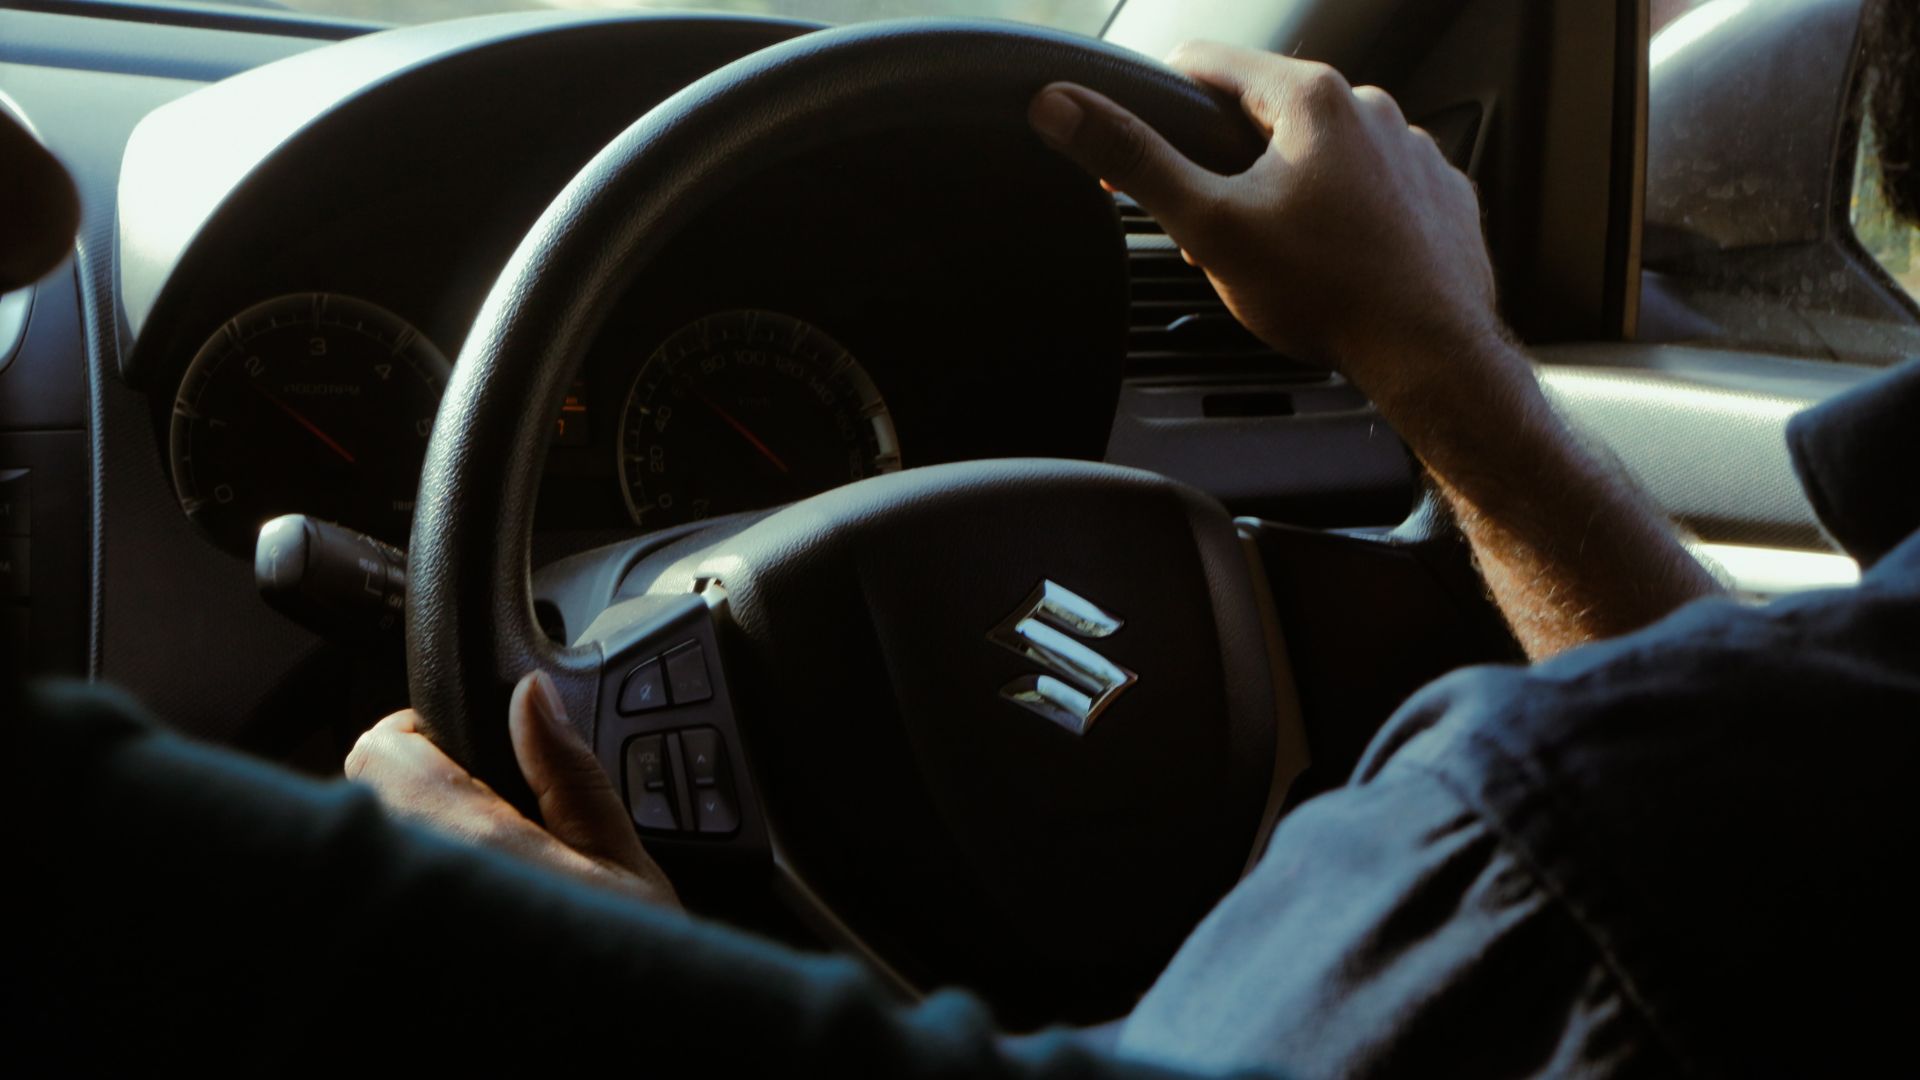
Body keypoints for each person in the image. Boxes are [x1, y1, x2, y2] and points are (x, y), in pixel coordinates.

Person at [9, 13, 1920, 1077]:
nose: (25, 230)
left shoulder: (1545, 854)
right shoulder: (1740, 796)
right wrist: (1448, 371)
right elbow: (1777, 816)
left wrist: (602, 979)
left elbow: (1674, 823)